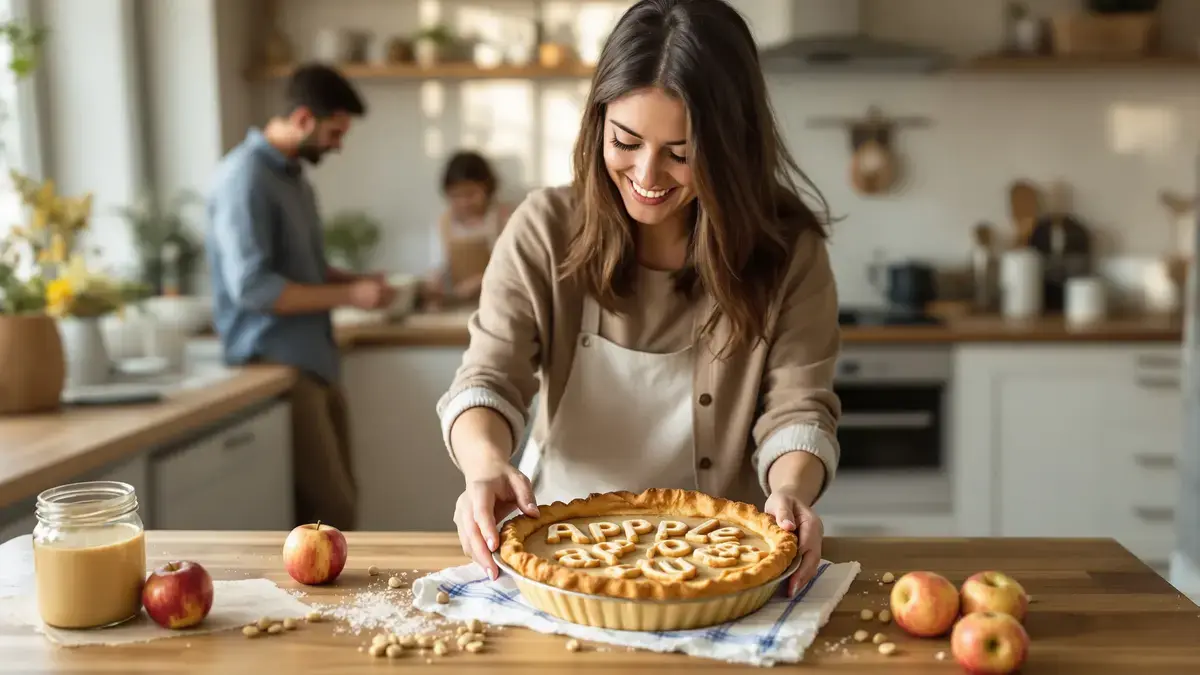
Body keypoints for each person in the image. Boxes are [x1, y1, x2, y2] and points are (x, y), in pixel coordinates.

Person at [437, 0, 842, 596]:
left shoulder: (787, 253)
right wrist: (487, 465)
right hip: (564, 564)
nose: (648, 174)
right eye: (625, 141)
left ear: (733, 147)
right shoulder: (544, 228)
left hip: (721, 571)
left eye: (681, 153)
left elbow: (798, 411)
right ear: (598, 121)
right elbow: (488, 379)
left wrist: (790, 491)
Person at [206, 63, 395, 531]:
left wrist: (353, 281)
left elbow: (300, 269)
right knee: (333, 514)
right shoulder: (243, 178)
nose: (338, 145)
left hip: (314, 360)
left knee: (338, 510)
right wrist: (349, 293)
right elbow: (252, 287)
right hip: (275, 365)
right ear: (305, 119)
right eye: (334, 132)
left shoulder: (293, 178)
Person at [424, 151, 514, 306]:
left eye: (471, 194)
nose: (464, 202)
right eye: (456, 195)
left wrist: (481, 280)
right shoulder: (443, 224)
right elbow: (437, 268)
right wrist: (434, 285)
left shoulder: (506, 219)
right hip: (457, 305)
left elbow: (514, 267)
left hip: (501, 305)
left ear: (487, 189)